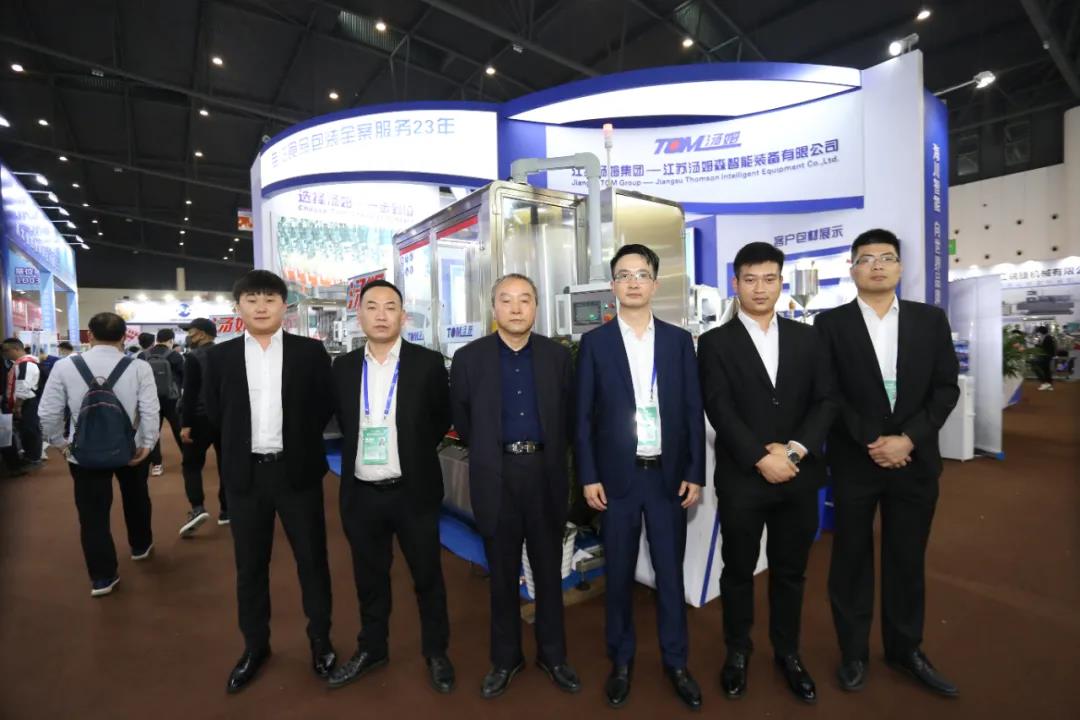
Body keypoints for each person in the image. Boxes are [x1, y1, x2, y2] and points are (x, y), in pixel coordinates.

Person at [814, 229, 960, 697]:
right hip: (856, 461)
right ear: (852, 269)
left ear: (899, 267)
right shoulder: (829, 324)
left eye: (887, 257)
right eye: (866, 258)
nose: (877, 265)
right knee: (851, 559)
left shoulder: (930, 320)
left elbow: (945, 388)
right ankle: (853, 652)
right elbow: (828, 393)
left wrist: (908, 439)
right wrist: (873, 441)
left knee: (907, 559)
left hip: (914, 461)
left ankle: (905, 649)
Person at [697, 242, 836, 704]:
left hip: (798, 477)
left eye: (769, 279)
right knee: (737, 569)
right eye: (750, 279)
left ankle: (788, 652)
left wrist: (793, 451)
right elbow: (718, 406)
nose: (760, 288)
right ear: (735, 284)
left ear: (781, 282)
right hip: (743, 478)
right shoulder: (714, 343)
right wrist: (761, 456)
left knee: (791, 571)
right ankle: (737, 651)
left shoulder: (807, 338)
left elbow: (826, 401)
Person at [576, 244, 705, 710]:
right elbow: (582, 418)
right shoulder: (595, 344)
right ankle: (621, 660)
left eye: (642, 274)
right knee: (618, 575)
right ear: (613, 285)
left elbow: (692, 409)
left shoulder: (678, 341)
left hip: (667, 478)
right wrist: (589, 475)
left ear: (655, 283)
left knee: (670, 575)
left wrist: (695, 471)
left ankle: (677, 662)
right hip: (617, 481)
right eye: (624, 275)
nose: (633, 282)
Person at [203, 269, 337, 694]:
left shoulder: (309, 353)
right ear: (238, 307)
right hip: (246, 477)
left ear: (284, 305)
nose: (261, 307)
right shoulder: (218, 358)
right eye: (252, 299)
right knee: (250, 567)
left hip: (296, 473)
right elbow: (214, 412)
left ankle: (321, 641)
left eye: (270, 299)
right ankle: (255, 646)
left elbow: (323, 406)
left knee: (312, 561)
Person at [450, 273, 581, 700]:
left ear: (536, 308)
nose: (516, 308)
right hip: (497, 475)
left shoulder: (558, 357)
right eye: (506, 300)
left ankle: (553, 655)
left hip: (545, 474)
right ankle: (506, 659)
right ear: (494, 309)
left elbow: (569, 417)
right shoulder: (469, 359)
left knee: (548, 572)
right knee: (502, 575)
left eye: (525, 299)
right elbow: (464, 421)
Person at [328, 280, 455, 693]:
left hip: (413, 492)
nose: (381, 315)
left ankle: (436, 652)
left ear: (403, 316)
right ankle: (372, 648)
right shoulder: (344, 367)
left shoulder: (427, 363)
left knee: (427, 576)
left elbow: (440, 418)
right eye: (372, 307)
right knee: (369, 578)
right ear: (360, 315)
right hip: (362, 493)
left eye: (390, 307)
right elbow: (344, 421)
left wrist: (412, 451)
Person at [37, 312, 160, 596]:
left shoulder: (65, 366)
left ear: (89, 335)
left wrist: (60, 443)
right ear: (124, 336)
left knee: (92, 514)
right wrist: (149, 442)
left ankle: (103, 577)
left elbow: (48, 412)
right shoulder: (139, 367)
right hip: (131, 448)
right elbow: (150, 409)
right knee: (137, 498)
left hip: (83, 452)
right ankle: (141, 546)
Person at [176, 318, 228, 536]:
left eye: (193, 332)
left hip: (198, 418)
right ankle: (227, 509)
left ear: (204, 333)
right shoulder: (227, 354)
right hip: (225, 418)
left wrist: (185, 424)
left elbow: (189, 393)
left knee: (191, 464)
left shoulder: (193, 357)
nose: (189, 336)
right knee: (226, 463)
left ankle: (197, 507)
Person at [144, 329, 185, 477]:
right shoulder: (175, 356)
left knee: (153, 432)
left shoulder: (144, 355)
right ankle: (188, 459)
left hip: (150, 399)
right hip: (172, 400)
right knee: (178, 429)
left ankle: (156, 465)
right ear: (171, 340)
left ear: (157, 339)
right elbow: (184, 376)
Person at [2, 338, 43, 469]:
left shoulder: (26, 364)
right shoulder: (20, 363)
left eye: (6, 350)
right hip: (24, 401)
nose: (5, 353)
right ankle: (30, 456)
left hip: (27, 402)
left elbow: (23, 387)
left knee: (30, 430)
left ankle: (34, 459)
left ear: (16, 349)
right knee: (26, 430)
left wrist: (18, 406)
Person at [1034, 326, 1056, 391]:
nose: (1038, 333)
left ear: (1041, 332)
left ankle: (1045, 383)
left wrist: (1037, 345)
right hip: (1046, 356)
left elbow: (1045, 347)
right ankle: (1049, 385)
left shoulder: (1047, 338)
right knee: (1046, 370)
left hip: (1046, 356)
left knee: (1040, 368)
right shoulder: (1045, 337)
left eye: (1038, 332)